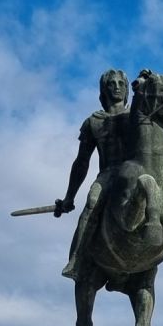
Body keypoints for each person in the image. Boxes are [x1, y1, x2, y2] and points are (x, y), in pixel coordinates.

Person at [57, 69, 129, 278]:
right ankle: (76, 259)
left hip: (135, 171)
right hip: (108, 174)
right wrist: (69, 197)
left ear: (126, 90)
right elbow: (81, 162)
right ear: (103, 92)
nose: (116, 86)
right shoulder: (93, 122)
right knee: (92, 201)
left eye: (120, 83)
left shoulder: (136, 116)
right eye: (111, 84)